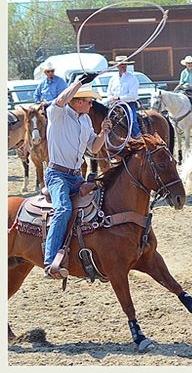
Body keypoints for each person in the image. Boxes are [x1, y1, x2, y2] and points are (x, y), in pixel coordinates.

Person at [43, 73, 112, 279]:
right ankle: (49, 261)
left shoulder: (86, 121)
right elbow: (60, 100)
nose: (92, 105)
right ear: (78, 102)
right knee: (63, 209)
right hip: (57, 175)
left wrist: (103, 134)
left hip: (75, 176)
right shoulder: (58, 114)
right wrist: (80, 82)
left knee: (102, 199)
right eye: (89, 101)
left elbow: (93, 147)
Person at [106, 56, 141, 138]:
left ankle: (139, 138)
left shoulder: (132, 78)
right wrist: (111, 98)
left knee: (132, 121)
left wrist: (119, 98)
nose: (123, 66)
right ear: (117, 66)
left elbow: (133, 95)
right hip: (114, 105)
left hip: (128, 104)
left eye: (125, 64)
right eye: (121, 64)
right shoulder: (113, 79)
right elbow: (109, 93)